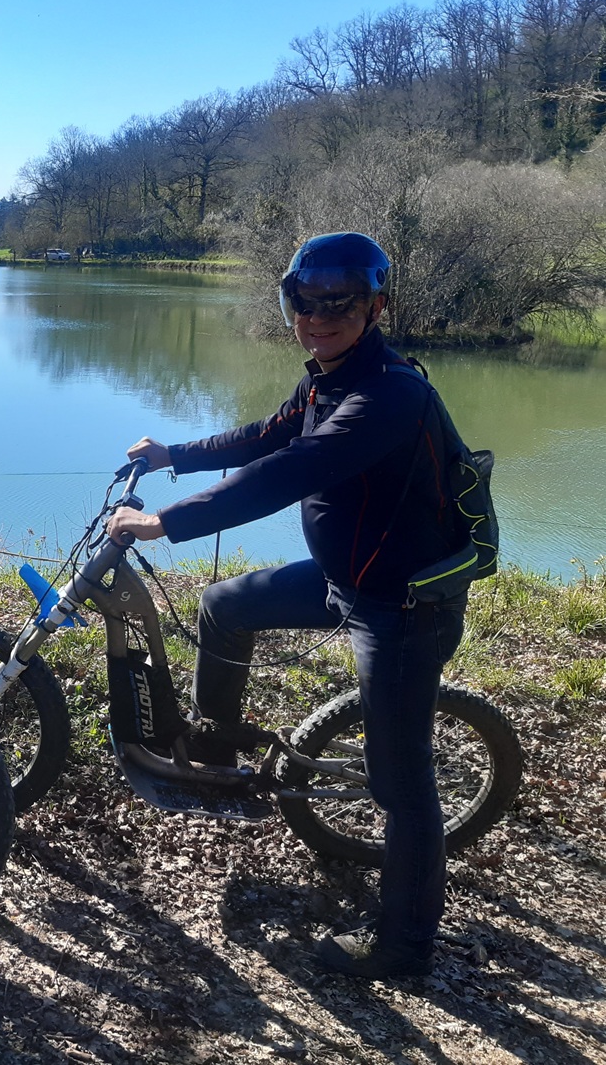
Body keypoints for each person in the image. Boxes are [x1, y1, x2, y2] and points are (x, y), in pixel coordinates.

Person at [104, 232, 468, 980]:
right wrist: (177, 454)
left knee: (399, 782)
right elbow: (269, 435)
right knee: (222, 606)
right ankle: (217, 754)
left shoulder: (390, 393)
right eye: (303, 302)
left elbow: (287, 472)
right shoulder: (326, 379)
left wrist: (167, 522)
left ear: (376, 306)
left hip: (401, 604)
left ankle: (403, 947)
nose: (317, 317)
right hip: (343, 577)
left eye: (339, 303)